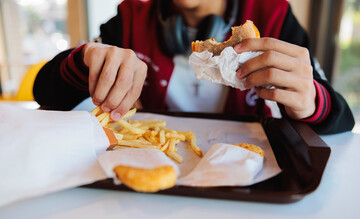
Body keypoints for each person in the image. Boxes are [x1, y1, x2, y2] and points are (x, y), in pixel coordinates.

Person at [33, 0, 355, 134]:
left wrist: (311, 100)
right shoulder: (131, 17)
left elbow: (341, 118)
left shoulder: (273, 16)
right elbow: (44, 92)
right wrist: (85, 59)